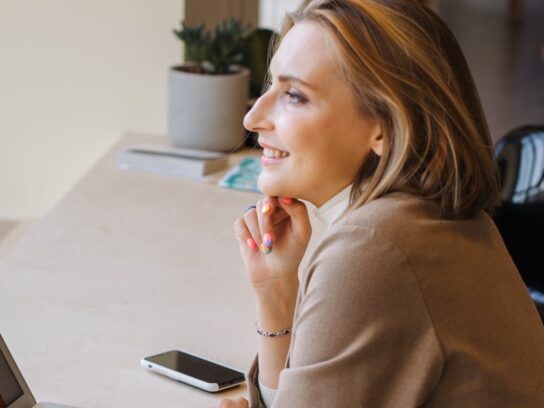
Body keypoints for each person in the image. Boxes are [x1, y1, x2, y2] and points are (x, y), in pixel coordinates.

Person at [219, 0, 544, 407]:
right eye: (270, 86)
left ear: (385, 126)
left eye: (295, 95)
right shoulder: (419, 219)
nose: (253, 118)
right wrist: (274, 292)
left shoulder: (376, 246)